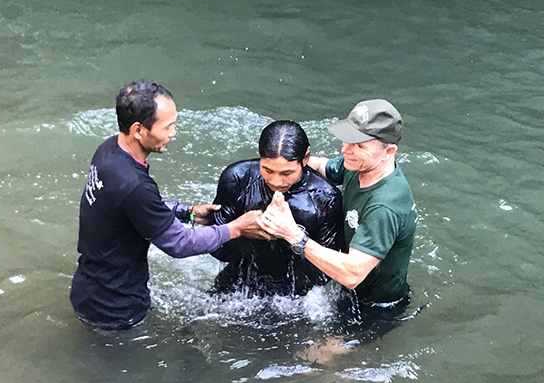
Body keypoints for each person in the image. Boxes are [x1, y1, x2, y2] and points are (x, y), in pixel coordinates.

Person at [70, 81, 261, 330]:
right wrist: (236, 228)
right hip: (115, 309)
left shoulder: (109, 150)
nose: (173, 133)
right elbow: (179, 243)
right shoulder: (133, 185)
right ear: (138, 130)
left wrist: (188, 212)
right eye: (167, 126)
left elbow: (135, 208)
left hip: (91, 287)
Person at [258, 100, 417, 354]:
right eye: (346, 139)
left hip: (375, 308)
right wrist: (282, 168)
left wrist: (292, 234)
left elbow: (352, 275)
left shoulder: (384, 206)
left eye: (358, 145)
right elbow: (322, 166)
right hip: (346, 294)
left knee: (310, 362)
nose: (345, 149)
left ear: (388, 152)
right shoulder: (358, 165)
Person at [209, 120, 342, 297]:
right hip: (239, 279)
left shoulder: (324, 197)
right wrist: (245, 232)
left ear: (306, 159)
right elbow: (216, 249)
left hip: (296, 295)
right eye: (267, 170)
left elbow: (324, 275)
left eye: (287, 173)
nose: (276, 182)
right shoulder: (238, 178)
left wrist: (291, 236)